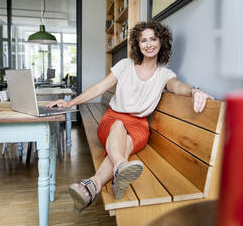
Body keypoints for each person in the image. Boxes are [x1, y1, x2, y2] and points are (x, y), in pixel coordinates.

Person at [47, 21, 214, 213]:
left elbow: (177, 86)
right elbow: (100, 87)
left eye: (153, 39)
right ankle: (118, 169)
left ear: (161, 42)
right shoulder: (125, 65)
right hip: (112, 120)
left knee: (124, 142)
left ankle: (92, 185)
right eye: (144, 40)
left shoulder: (164, 74)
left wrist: (194, 91)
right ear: (138, 44)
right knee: (119, 131)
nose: (148, 44)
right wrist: (70, 103)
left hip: (138, 127)